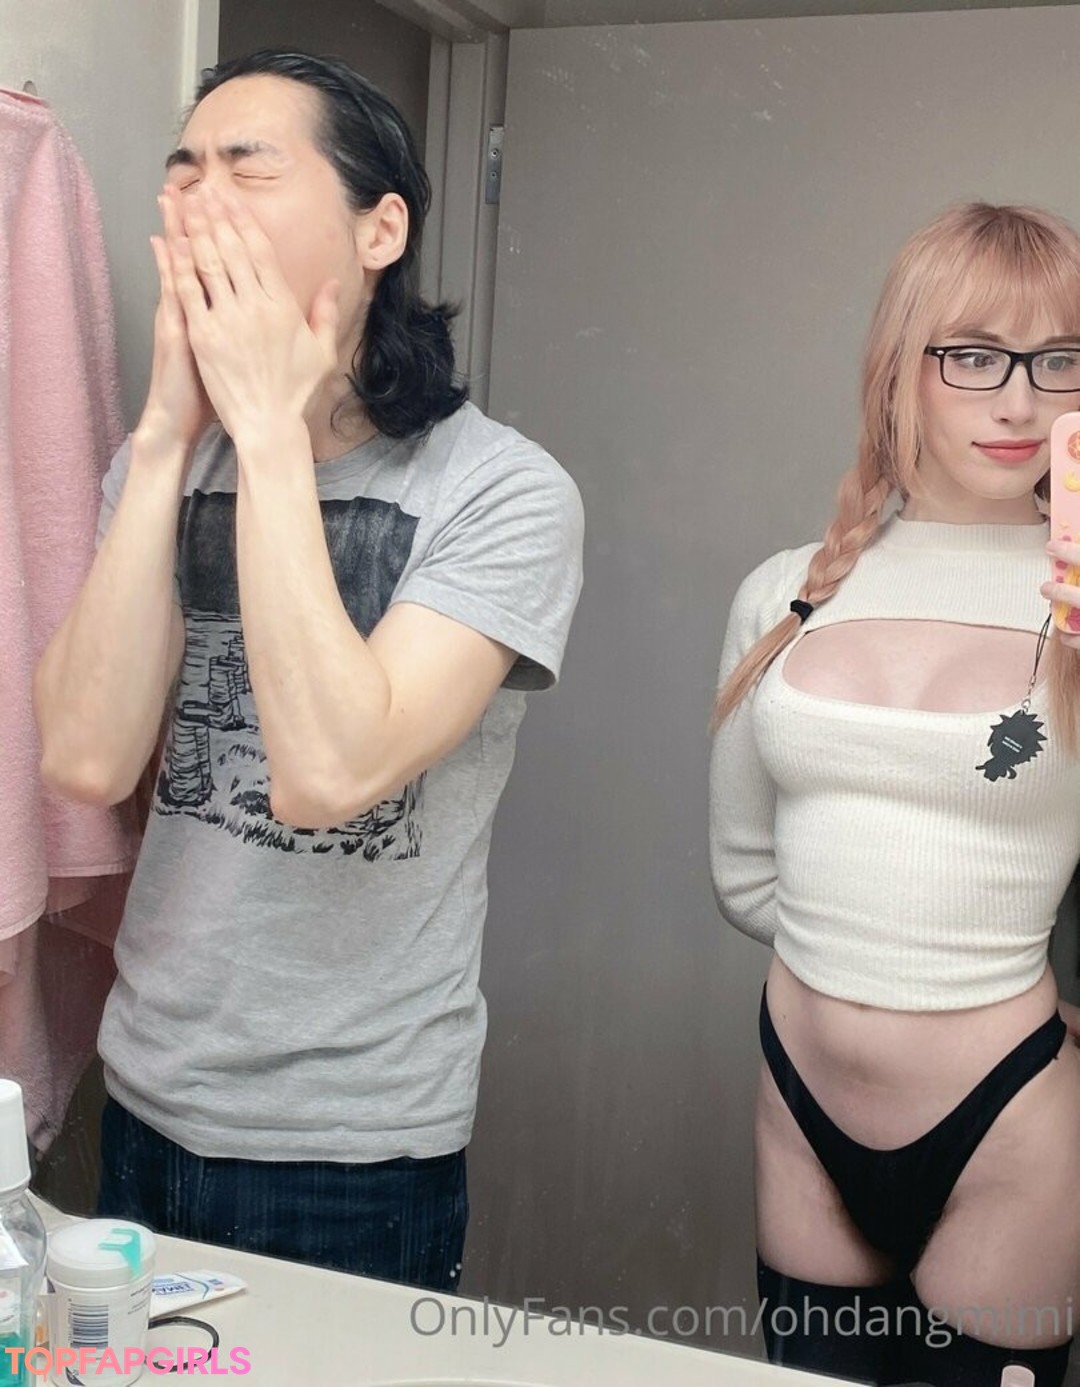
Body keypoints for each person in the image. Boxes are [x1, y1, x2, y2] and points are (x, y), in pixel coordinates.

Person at [32, 49, 583, 1291]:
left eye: (247, 168)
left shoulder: (501, 491)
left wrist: (272, 433)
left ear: (380, 229)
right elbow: (86, 757)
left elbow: (330, 771)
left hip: (357, 1144)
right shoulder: (165, 464)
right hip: (146, 1092)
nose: (200, 201)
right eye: (183, 171)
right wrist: (166, 436)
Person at [709, 202, 1080, 1386]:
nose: (1018, 402)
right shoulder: (784, 591)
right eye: (974, 357)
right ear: (900, 368)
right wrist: (877, 959)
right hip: (799, 1104)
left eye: (1059, 360)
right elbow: (742, 872)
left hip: (1010, 1121)